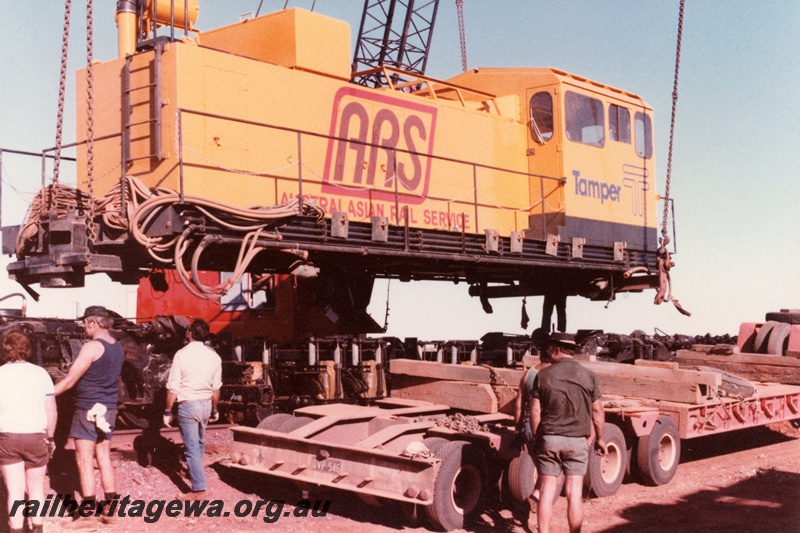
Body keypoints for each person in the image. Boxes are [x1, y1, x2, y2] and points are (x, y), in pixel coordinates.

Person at [54, 306, 124, 531]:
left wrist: (42, 394)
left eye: (85, 323)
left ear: (94, 323)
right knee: (103, 456)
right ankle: (110, 511)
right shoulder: (117, 346)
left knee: (84, 459)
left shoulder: (92, 347)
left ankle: (87, 515)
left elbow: (69, 381)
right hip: (109, 408)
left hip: (87, 408)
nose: (83, 327)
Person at [530, 332, 606, 533]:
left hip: (550, 439)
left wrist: (538, 437)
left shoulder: (543, 375)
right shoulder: (588, 375)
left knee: (547, 489)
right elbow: (598, 410)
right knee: (574, 491)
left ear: (556, 349)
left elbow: (535, 410)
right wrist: (600, 439)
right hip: (577, 441)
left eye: (549, 349)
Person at [0, 329, 57, 533]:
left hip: (8, 437)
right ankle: (38, 529)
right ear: (27, 350)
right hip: (36, 436)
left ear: (5, 350)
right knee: (35, 489)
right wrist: (50, 437)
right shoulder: (41, 374)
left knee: (14, 491)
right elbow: (51, 410)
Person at [163, 319, 222, 500]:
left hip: (188, 404)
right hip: (205, 403)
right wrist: (215, 409)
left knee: (191, 448)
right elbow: (216, 388)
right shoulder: (214, 356)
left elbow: (173, 387)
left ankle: (198, 490)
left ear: (189, 333)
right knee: (200, 442)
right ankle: (195, 473)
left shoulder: (181, 355)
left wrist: (167, 411)